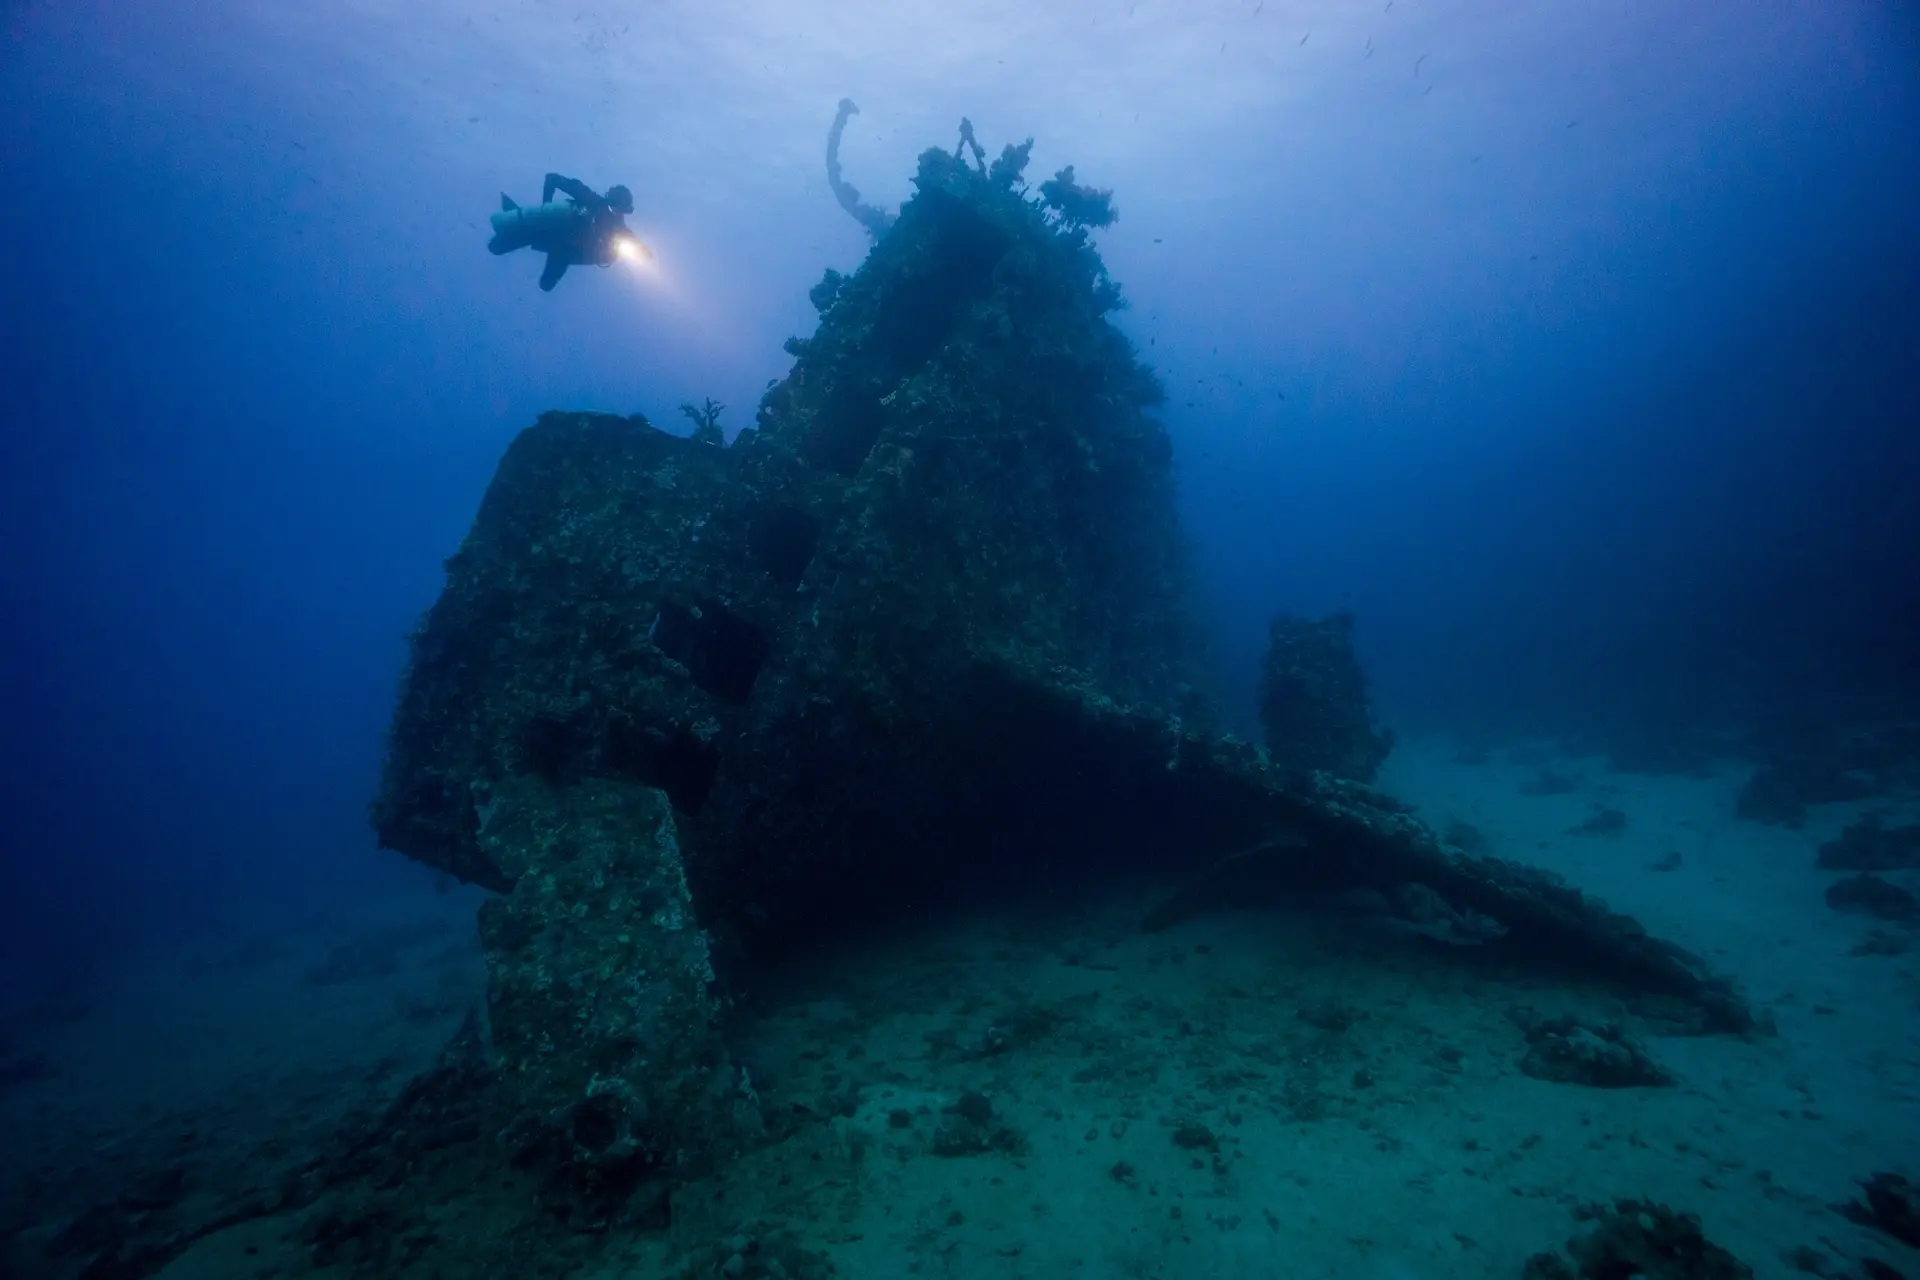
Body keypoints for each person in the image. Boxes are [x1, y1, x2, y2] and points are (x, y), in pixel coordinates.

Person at [487, 173, 639, 291]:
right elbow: (552, 178)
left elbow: (628, 237)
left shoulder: (617, 224)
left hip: (565, 251)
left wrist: (642, 249)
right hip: (549, 233)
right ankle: (514, 215)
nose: (617, 213)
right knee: (495, 247)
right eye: (617, 208)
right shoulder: (590, 198)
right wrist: (545, 209)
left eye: (621, 210)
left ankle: (516, 217)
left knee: (546, 286)